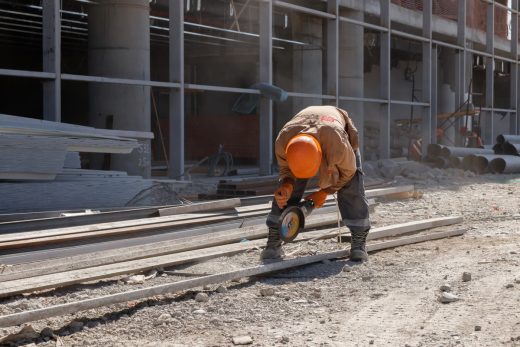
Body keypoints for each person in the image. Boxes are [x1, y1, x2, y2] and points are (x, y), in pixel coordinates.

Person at [261, 105, 371, 262]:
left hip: (334, 130)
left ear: (321, 157)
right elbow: (286, 170)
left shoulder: (337, 146)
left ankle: (359, 242)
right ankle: (274, 241)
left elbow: (349, 172)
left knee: (352, 185)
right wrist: (286, 184)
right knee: (284, 195)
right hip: (304, 129)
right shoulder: (282, 142)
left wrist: (325, 192)